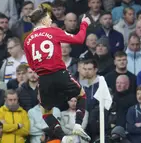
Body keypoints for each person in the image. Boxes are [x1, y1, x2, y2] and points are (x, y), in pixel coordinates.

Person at [24, 6, 91, 141]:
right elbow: (79, 39)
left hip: (43, 79)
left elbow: (31, 65)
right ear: (43, 21)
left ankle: (63, 137)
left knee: (45, 112)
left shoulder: (27, 40)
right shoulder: (53, 31)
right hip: (60, 73)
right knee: (81, 95)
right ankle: (78, 125)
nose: (50, 20)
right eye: (48, 18)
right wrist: (84, 24)